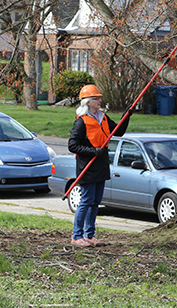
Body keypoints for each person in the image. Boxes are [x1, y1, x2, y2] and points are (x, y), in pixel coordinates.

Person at [68, 84, 130, 247]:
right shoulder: (81, 122)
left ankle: (89, 235)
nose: (100, 100)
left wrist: (127, 115)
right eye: (97, 98)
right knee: (86, 201)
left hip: (101, 165)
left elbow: (118, 131)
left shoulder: (103, 117)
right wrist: (92, 151)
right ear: (88, 102)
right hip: (87, 167)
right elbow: (72, 146)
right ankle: (77, 236)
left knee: (96, 202)